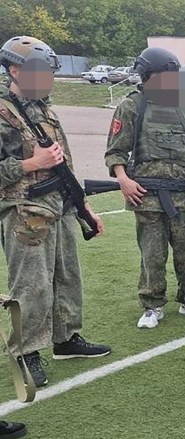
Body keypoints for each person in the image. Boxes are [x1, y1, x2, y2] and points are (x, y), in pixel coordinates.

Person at [0, 36, 111, 387]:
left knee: (67, 276)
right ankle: (26, 353)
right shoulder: (3, 111)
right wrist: (31, 163)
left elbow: (64, 162)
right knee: (31, 286)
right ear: (14, 70)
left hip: (58, 204)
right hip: (24, 208)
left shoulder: (42, 108)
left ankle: (66, 339)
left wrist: (83, 204)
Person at [105, 47, 185, 329]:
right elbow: (116, 151)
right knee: (152, 256)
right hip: (148, 195)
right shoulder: (131, 106)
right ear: (146, 76)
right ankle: (153, 305)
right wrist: (124, 180)